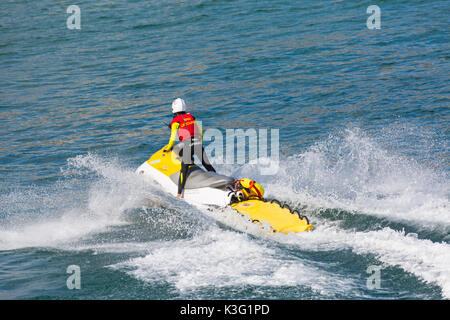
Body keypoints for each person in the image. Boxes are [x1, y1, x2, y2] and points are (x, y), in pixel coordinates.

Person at [163, 98, 216, 198]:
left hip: (188, 145)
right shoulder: (192, 117)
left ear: (173, 109)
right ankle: (220, 182)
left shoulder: (175, 121)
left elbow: (173, 138)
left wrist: (169, 148)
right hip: (198, 144)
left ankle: (179, 195)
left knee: (183, 171)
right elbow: (199, 132)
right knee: (208, 167)